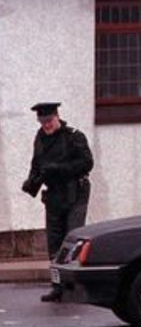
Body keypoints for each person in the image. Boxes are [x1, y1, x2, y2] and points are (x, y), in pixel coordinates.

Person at [21, 102, 94, 302]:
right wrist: (32, 182)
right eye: (42, 121)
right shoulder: (40, 138)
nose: (46, 125)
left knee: (72, 238)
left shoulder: (73, 136)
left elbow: (87, 163)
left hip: (75, 193)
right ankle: (57, 286)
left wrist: (59, 168)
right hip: (54, 195)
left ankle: (75, 284)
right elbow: (36, 164)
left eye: (49, 121)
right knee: (54, 243)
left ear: (57, 116)